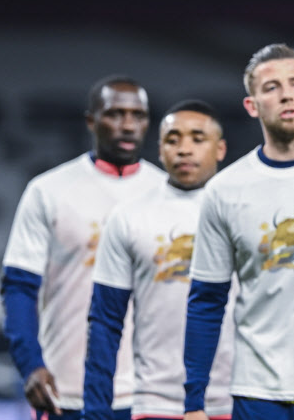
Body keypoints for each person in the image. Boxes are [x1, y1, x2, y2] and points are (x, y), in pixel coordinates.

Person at [183, 43, 294, 420]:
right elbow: (207, 299)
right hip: (258, 391)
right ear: (252, 105)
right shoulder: (225, 190)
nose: (286, 94)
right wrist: (193, 400)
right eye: (272, 87)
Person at [0, 75, 165, 420]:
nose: (128, 125)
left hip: (152, 396)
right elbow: (18, 287)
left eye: (138, 115)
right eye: (115, 114)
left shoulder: (169, 194)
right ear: (91, 120)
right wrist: (30, 365)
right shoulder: (49, 191)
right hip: (67, 392)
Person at [81, 100, 234, 420]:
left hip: (239, 396)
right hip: (156, 401)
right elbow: (105, 321)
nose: (184, 149)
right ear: (160, 150)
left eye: (197, 138)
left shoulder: (242, 212)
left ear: (220, 149)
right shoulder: (129, 217)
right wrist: (95, 410)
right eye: (172, 140)